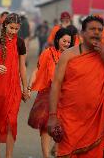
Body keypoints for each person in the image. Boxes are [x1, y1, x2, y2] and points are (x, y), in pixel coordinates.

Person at [47, 15, 104, 158]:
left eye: (99, 29)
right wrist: (53, 116)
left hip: (96, 122)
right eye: (92, 29)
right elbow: (56, 85)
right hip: (69, 120)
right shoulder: (68, 55)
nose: (97, 32)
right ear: (82, 33)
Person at [0, 13, 30, 158]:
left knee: (12, 122)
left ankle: (8, 156)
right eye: (11, 28)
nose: (13, 31)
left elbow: (22, 67)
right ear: (5, 25)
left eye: (16, 29)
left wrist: (25, 88)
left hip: (14, 88)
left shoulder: (20, 43)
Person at [28, 28, 73, 158]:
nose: (66, 44)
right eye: (64, 41)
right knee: (46, 126)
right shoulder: (48, 53)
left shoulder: (72, 57)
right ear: (57, 39)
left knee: (63, 125)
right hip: (47, 94)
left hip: (65, 95)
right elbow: (37, 71)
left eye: (69, 42)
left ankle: (57, 150)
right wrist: (29, 88)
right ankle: (46, 155)